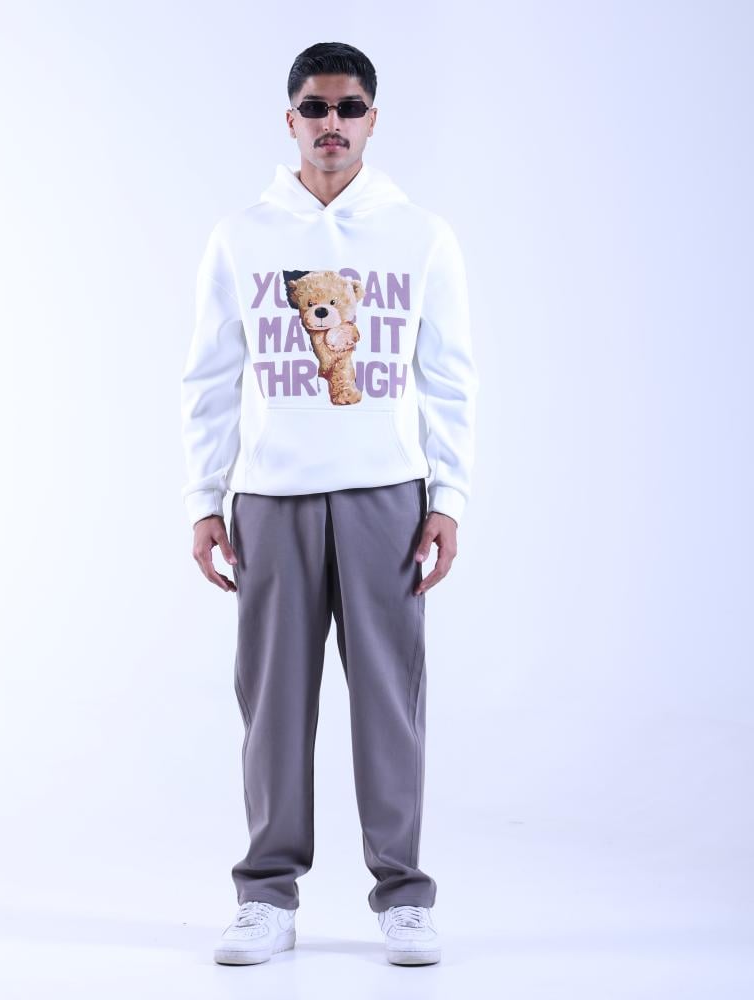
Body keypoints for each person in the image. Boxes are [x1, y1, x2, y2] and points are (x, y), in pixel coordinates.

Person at [180, 41, 478, 967]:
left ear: (373, 120)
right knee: (273, 702)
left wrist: (449, 496)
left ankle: (404, 895)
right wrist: (204, 497)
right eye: (315, 107)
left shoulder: (420, 235)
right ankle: (266, 895)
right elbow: (211, 376)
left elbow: (449, 376)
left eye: (349, 108)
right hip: (271, 497)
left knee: (390, 700)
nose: (332, 124)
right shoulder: (242, 236)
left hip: (388, 495)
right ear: (291, 119)